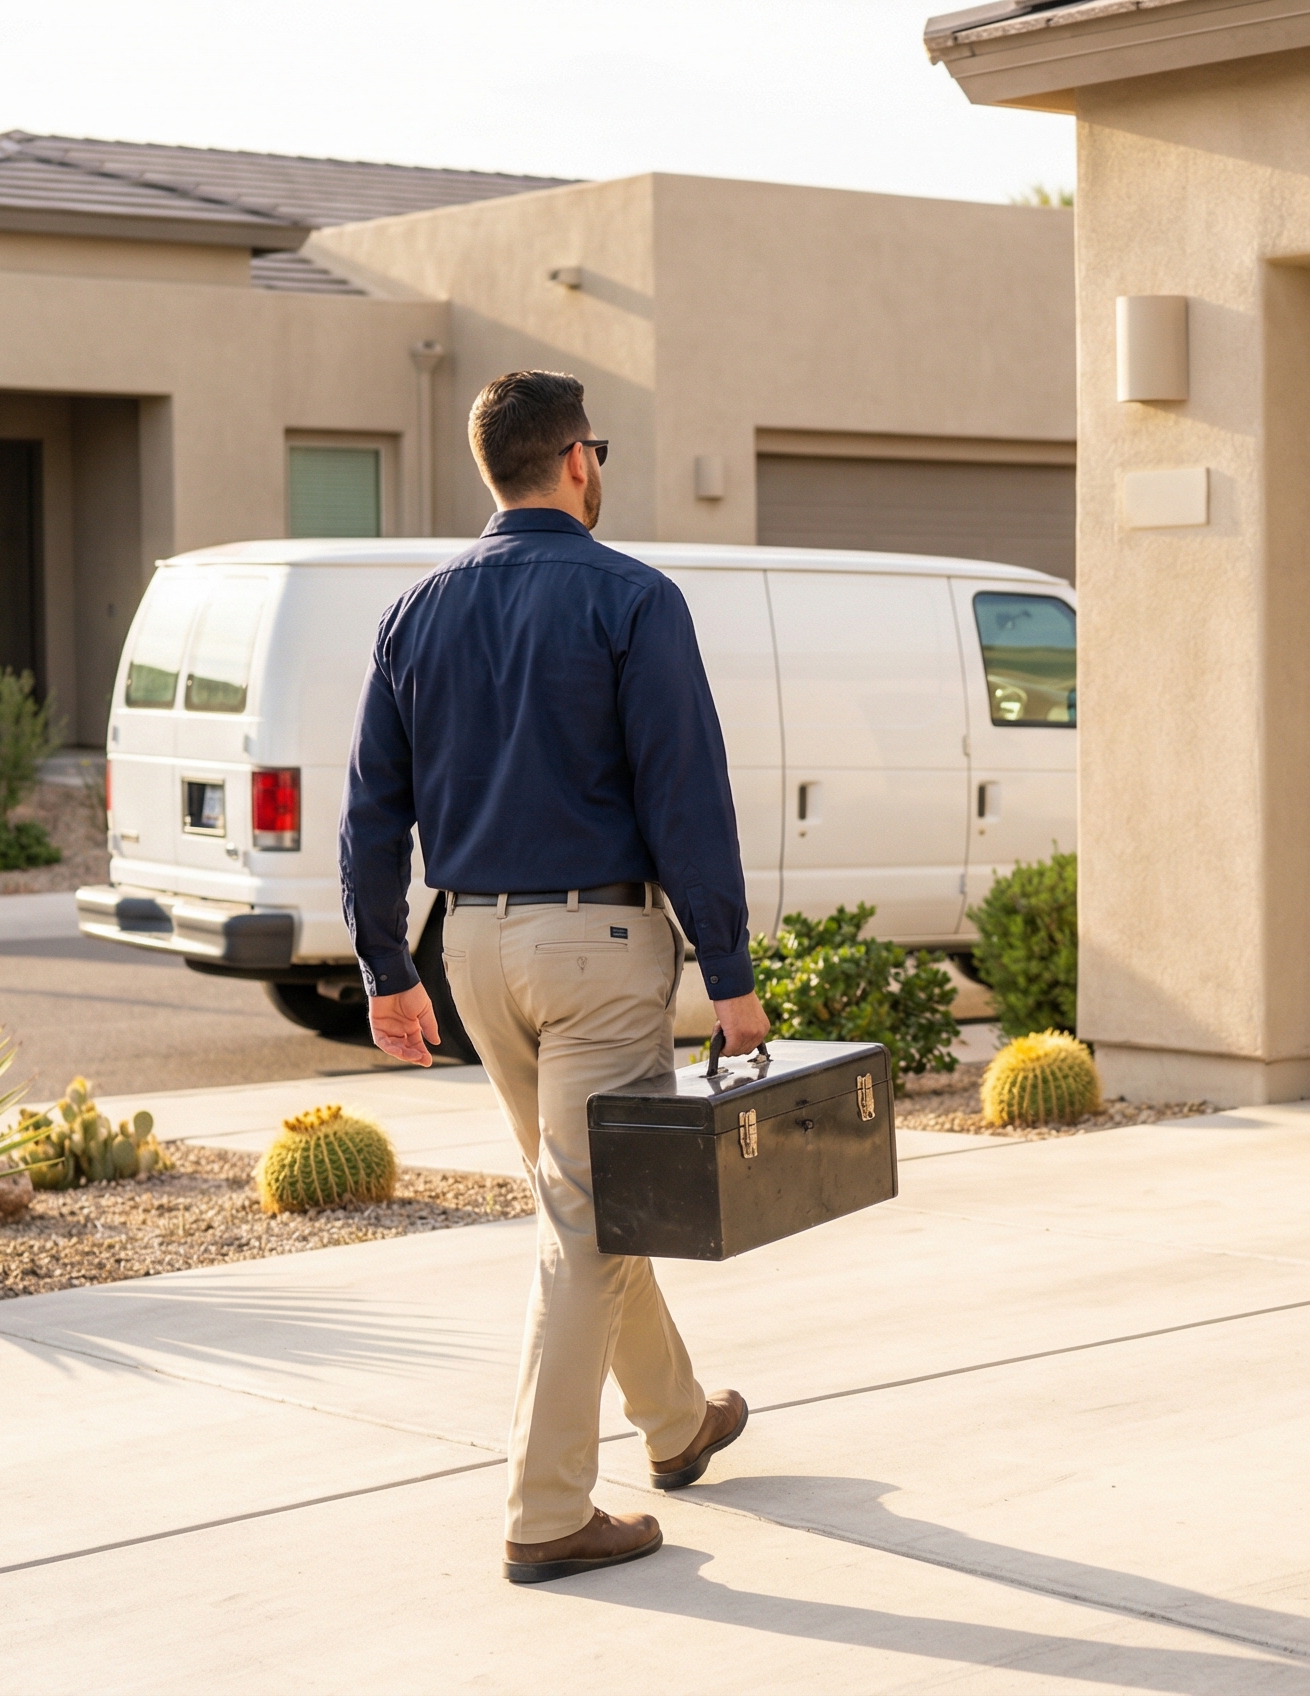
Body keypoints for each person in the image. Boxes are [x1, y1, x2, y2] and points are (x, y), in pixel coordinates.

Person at [340, 369, 768, 1585]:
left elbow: (372, 810)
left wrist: (386, 963)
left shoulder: (416, 612)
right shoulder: (632, 598)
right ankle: (545, 1513)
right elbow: (685, 798)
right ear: (576, 460)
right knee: (586, 1219)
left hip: (471, 949)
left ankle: (677, 1422)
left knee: (585, 1202)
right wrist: (730, 976)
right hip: (597, 950)